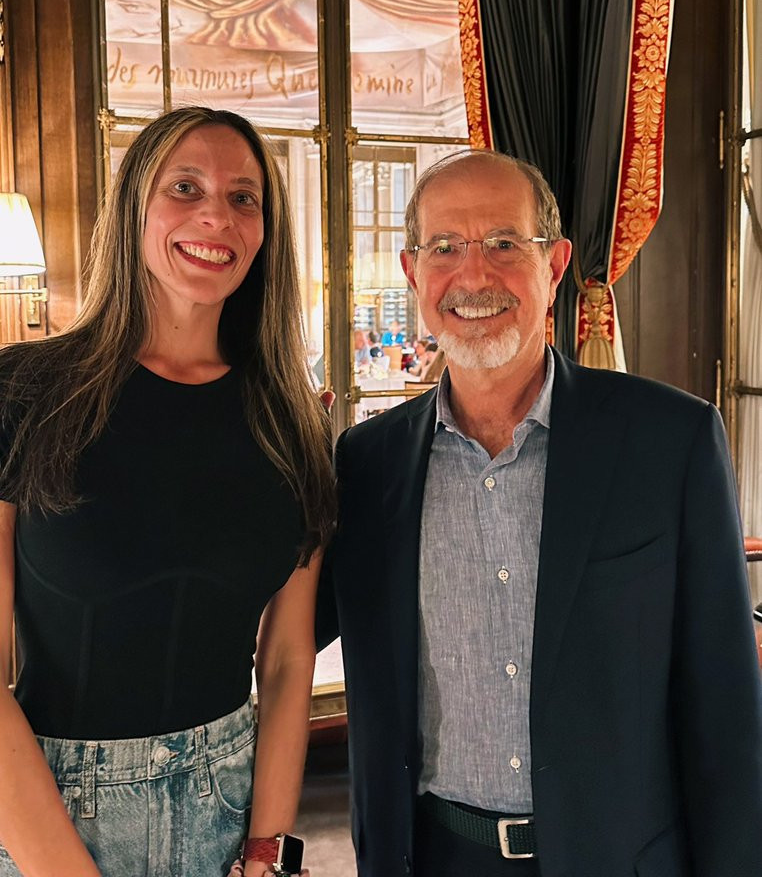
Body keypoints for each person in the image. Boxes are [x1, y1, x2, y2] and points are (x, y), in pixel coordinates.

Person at [318, 149, 762, 877]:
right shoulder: (366, 465)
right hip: (432, 858)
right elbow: (274, 622)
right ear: (413, 274)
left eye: (503, 243)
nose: (473, 275)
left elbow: (725, 706)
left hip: (621, 861)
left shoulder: (670, 442)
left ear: (554, 266)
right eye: (444, 248)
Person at [0, 107, 335, 877]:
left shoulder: (292, 423)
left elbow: (288, 660)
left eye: (244, 197)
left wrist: (267, 851)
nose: (217, 215)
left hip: (227, 807)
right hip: (48, 811)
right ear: (134, 208)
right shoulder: (24, 393)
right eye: (185, 187)